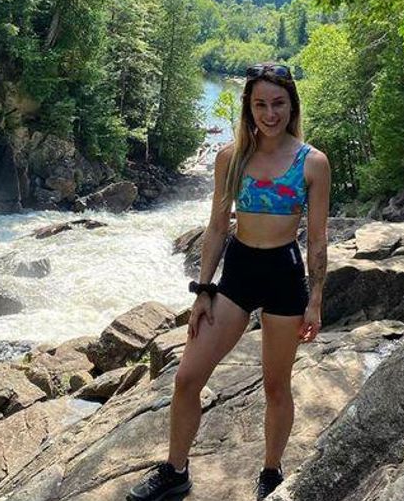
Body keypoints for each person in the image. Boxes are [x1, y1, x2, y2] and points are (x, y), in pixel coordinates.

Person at [127, 63, 330, 501]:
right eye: (260, 104)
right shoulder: (230, 157)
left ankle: (271, 474)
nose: (269, 113)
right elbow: (218, 226)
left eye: (278, 103)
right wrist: (202, 289)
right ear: (248, 107)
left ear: (291, 105)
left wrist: (315, 300)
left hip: (283, 275)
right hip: (237, 273)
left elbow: (316, 238)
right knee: (187, 377)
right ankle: (175, 471)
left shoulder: (312, 162)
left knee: (276, 385)